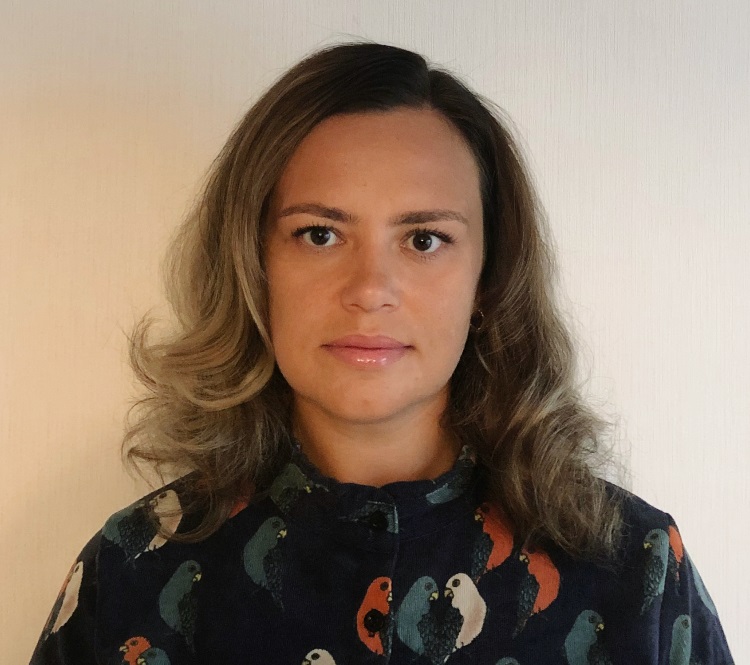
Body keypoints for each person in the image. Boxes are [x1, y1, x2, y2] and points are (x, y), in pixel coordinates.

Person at [30, 41, 733, 665]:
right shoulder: (132, 569)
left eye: (424, 239)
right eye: (319, 234)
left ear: (488, 278)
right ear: (252, 264)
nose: (369, 290)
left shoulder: (636, 571)